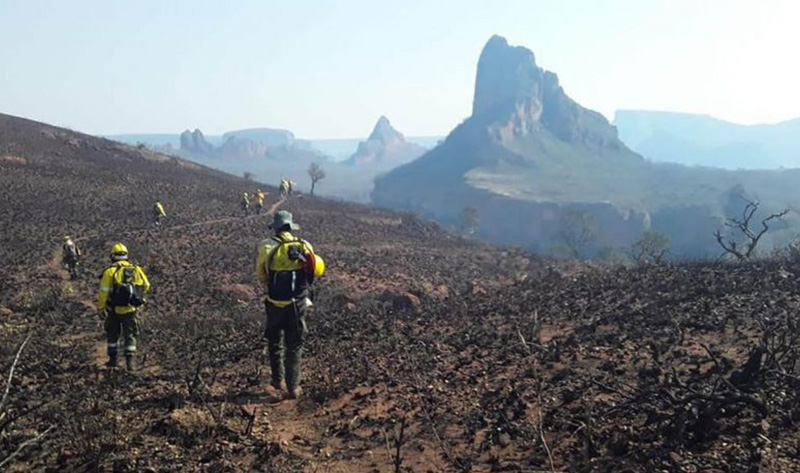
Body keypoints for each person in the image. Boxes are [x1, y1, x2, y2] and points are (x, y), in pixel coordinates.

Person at [256, 210, 325, 399]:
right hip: (297, 303)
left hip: (274, 302)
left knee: (274, 341)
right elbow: (314, 271)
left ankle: (277, 381)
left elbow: (262, 275)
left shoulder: (266, 247)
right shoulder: (305, 245)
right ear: (290, 226)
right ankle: (293, 387)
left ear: (276, 227)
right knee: (294, 344)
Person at [97, 243, 151, 371]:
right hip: (131, 310)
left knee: (112, 334)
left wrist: (101, 308)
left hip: (114, 310)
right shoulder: (136, 269)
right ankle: (130, 363)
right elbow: (146, 285)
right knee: (130, 335)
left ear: (113, 256)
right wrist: (137, 297)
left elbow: (103, 292)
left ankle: (113, 361)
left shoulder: (110, 272)